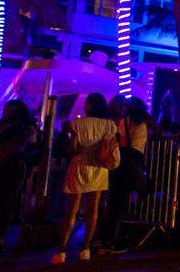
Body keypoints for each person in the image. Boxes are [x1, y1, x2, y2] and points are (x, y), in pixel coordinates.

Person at [53, 93, 118, 264]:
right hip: (99, 168)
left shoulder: (77, 124)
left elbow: (73, 149)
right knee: (93, 209)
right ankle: (85, 248)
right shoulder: (110, 125)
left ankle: (61, 251)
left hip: (80, 166)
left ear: (89, 105)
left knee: (72, 210)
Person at [0, 99, 35, 259]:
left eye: (10, 109)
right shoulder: (20, 128)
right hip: (6, 168)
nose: (7, 111)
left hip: (3, 168)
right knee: (0, 206)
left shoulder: (12, 128)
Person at [100, 96, 150, 253]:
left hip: (118, 165)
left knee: (114, 202)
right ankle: (116, 241)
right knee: (122, 203)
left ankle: (106, 239)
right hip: (130, 165)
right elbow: (136, 150)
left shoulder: (122, 122)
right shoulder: (140, 125)